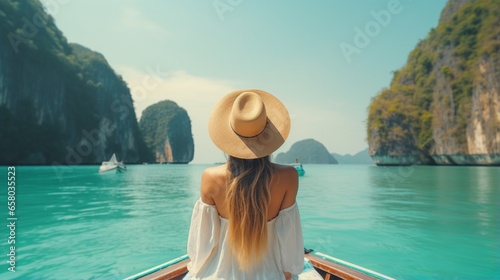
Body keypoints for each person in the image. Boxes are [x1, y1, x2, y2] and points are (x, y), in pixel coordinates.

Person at [184, 89, 304, 279]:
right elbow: (289, 244)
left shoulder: (210, 177)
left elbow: (202, 248)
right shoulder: (289, 176)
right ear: (269, 134)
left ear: (228, 134)